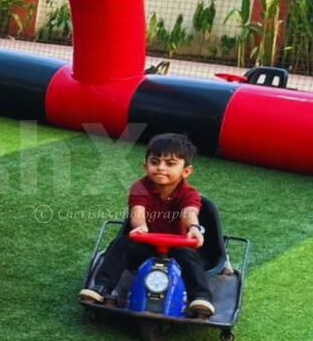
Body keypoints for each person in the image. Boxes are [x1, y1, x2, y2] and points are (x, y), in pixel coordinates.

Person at [79, 132, 216, 318]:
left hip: (178, 247)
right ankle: (102, 287)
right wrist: (141, 226)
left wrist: (193, 227)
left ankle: (200, 297)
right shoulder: (139, 187)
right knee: (121, 244)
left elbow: (189, 212)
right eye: (154, 161)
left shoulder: (189, 193)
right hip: (145, 244)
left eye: (170, 163)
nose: (160, 168)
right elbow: (137, 211)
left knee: (189, 257)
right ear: (146, 166)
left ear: (186, 171)